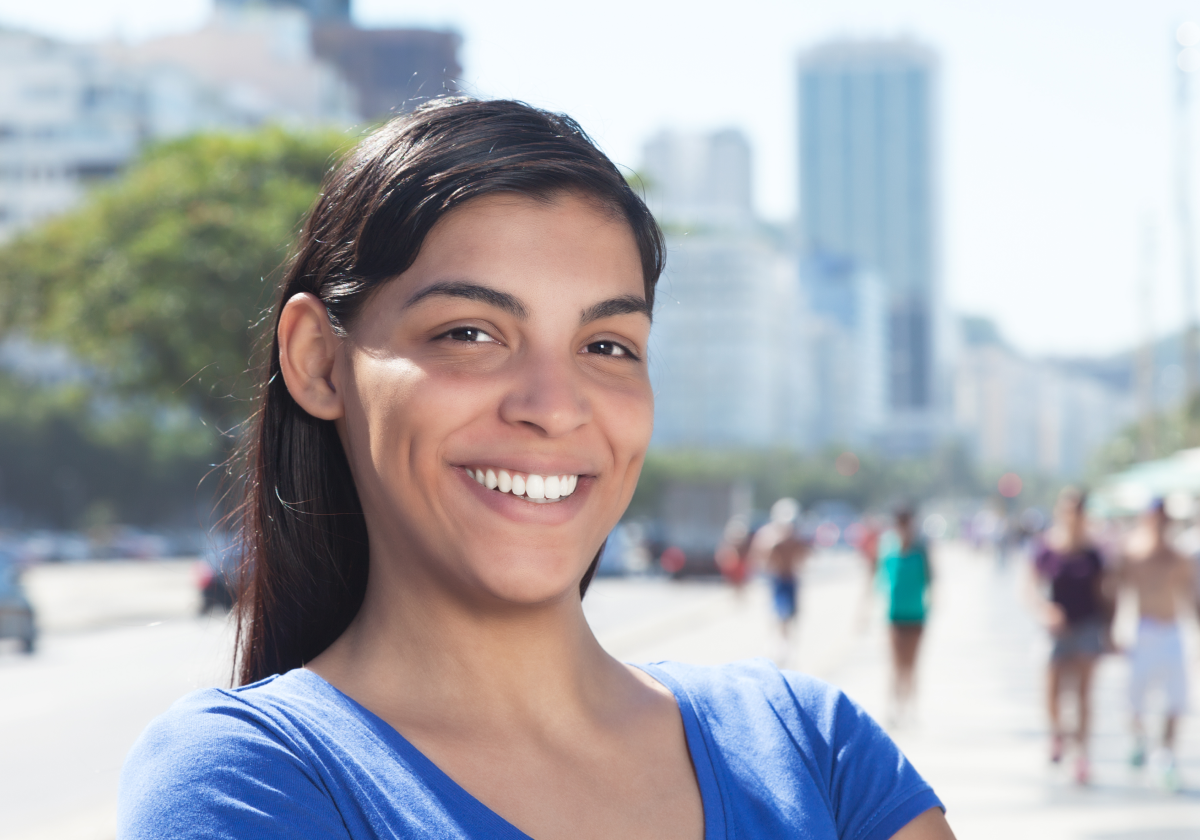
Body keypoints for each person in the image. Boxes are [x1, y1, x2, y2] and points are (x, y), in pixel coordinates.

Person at [117, 99, 953, 840]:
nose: (554, 407)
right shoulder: (246, 782)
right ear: (318, 362)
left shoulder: (812, 747)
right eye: (470, 333)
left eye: (606, 346)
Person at [1030, 488, 1110, 785]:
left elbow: (1104, 592)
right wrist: (1044, 610)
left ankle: (1082, 755)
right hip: (1055, 628)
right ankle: (1057, 734)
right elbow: (1028, 587)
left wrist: (1110, 629)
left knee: (1083, 694)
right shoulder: (1046, 547)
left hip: (1087, 625)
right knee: (1051, 690)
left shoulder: (1094, 551)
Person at [1115, 499, 1196, 789]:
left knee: (1176, 699)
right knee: (1133, 699)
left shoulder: (1178, 556)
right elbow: (1117, 593)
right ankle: (1139, 739)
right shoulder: (1132, 554)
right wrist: (1113, 630)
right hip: (1143, 631)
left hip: (1171, 632)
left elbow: (1191, 597)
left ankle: (1166, 755)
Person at [877, 507, 933, 727]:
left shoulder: (921, 547)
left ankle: (910, 709)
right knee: (894, 664)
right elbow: (879, 577)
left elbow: (930, 577)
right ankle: (893, 708)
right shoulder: (888, 546)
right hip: (894, 614)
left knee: (911, 665)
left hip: (916, 614)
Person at [749, 497, 810, 664]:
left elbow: (804, 557)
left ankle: (787, 647)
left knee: (791, 616)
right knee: (778, 614)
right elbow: (760, 558)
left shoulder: (797, 537)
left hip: (790, 579)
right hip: (776, 580)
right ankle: (777, 646)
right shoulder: (768, 536)